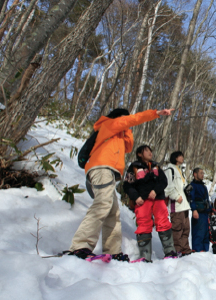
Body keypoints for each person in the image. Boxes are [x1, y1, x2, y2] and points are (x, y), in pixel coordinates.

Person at [68, 108, 173, 260]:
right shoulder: (109, 124)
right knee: (103, 204)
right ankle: (80, 246)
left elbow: (129, 146)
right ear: (119, 118)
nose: (128, 123)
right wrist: (155, 113)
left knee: (113, 212)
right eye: (126, 119)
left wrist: (127, 130)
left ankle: (112, 250)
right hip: (101, 167)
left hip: (109, 172)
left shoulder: (118, 135)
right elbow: (131, 120)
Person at [123, 145, 176, 262]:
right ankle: (145, 255)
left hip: (158, 199)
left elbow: (164, 181)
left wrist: (155, 191)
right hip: (142, 200)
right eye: (146, 150)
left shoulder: (156, 166)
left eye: (150, 150)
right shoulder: (134, 167)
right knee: (143, 223)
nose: (150, 152)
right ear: (139, 154)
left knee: (163, 222)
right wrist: (135, 197)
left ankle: (170, 251)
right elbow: (127, 185)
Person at [164, 151, 192, 256]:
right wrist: (176, 197)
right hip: (176, 205)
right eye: (180, 156)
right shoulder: (169, 170)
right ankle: (176, 250)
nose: (182, 158)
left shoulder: (180, 171)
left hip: (184, 205)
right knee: (177, 229)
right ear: (175, 157)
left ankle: (185, 249)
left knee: (186, 229)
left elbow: (182, 187)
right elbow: (168, 187)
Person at [190, 168, 212, 252]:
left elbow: (207, 199)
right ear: (195, 174)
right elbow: (191, 198)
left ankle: (205, 250)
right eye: (200, 173)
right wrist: (194, 209)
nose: (202, 174)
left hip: (205, 213)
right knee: (198, 233)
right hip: (198, 212)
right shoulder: (192, 185)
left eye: (203, 173)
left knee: (206, 233)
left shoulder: (204, 186)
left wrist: (211, 210)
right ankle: (197, 250)